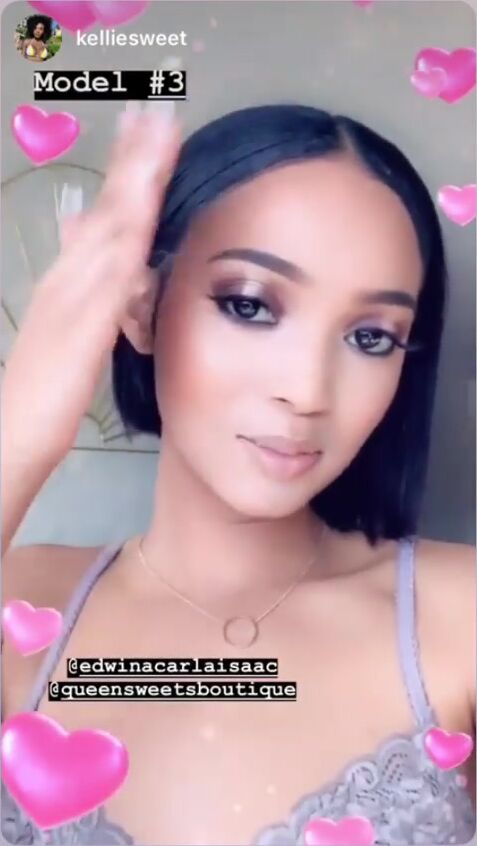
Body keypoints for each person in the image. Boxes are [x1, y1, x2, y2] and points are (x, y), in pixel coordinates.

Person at [1, 101, 475, 845]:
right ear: (140, 305)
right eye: (250, 305)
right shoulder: (23, 605)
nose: (307, 390)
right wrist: (19, 438)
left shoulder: (459, 618)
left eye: (370, 337)